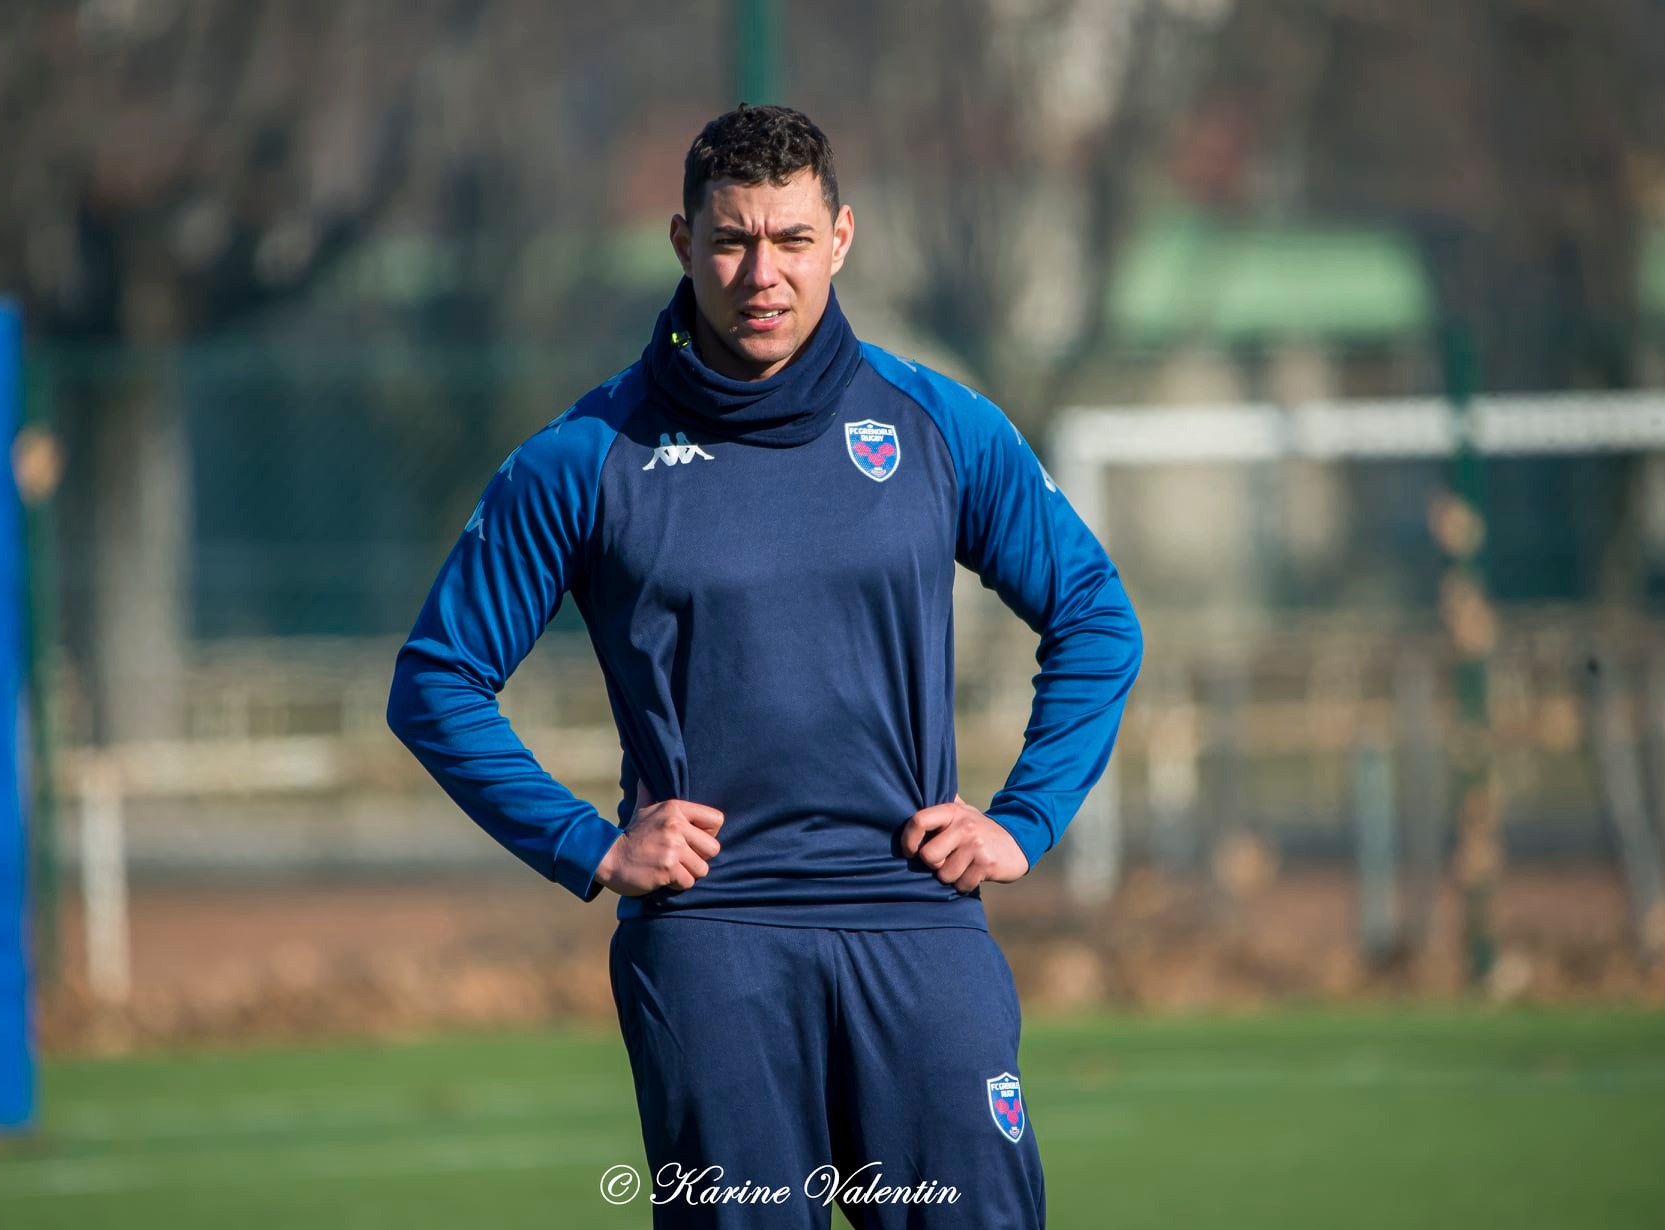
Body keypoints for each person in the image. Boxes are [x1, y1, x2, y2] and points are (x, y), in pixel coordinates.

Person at [387, 104, 1142, 1229]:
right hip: (711, 947)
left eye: (791, 240)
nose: (762, 274)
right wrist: (587, 843)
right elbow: (436, 680)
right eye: (733, 239)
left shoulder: (937, 425)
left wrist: (1025, 819)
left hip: (917, 925)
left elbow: (1095, 613)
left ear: (840, 238)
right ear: (683, 240)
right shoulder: (587, 457)